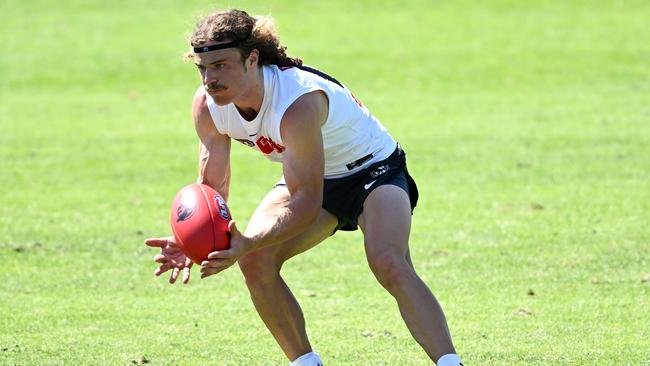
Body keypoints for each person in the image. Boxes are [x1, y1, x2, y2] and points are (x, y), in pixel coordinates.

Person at [145, 9, 463, 366]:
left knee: (388, 261)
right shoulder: (208, 106)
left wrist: (249, 238)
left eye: (221, 65)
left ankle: (450, 362)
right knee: (255, 261)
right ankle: (306, 362)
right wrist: (198, 238)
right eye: (202, 68)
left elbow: (308, 202)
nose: (210, 78)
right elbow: (212, 187)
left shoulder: (296, 103)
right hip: (312, 174)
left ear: (252, 59)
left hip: (374, 170)